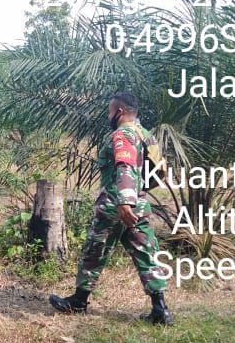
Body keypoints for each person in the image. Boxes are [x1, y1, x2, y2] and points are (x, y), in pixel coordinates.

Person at [48, 92, 173, 325]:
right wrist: (139, 194)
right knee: (146, 253)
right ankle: (160, 310)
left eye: (109, 111)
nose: (108, 116)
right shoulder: (146, 135)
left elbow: (124, 165)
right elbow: (159, 172)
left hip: (117, 205)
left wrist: (125, 200)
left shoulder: (122, 134)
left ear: (119, 112)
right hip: (140, 203)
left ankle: (78, 302)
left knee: (95, 250)